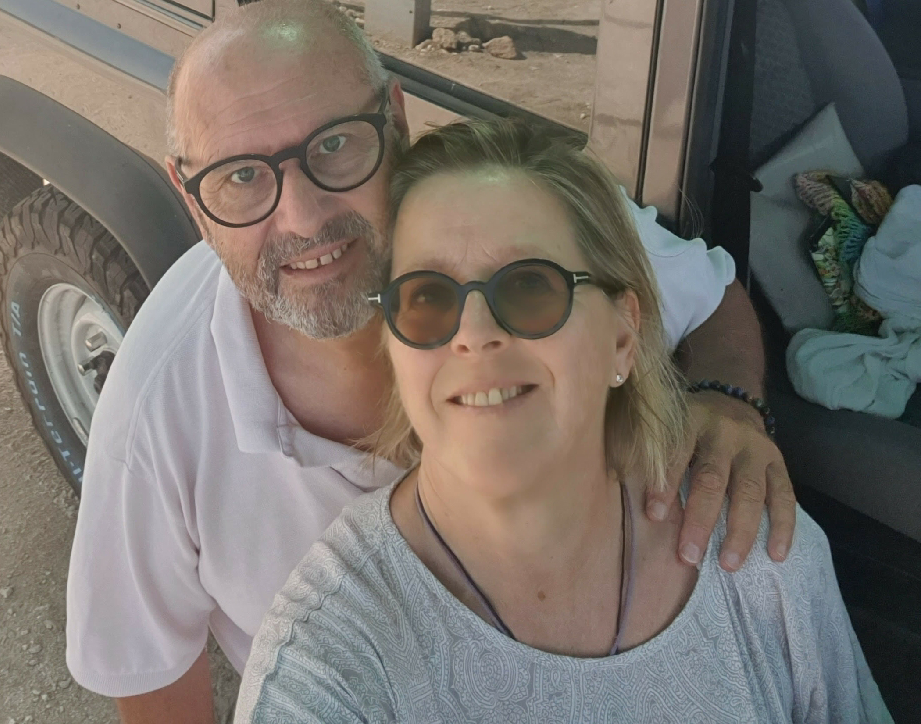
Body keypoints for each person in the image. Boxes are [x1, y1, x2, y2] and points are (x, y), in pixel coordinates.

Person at [66, 0, 795, 722]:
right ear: (190, 198)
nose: (305, 216)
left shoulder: (511, 225)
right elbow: (151, 675)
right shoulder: (155, 413)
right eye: (242, 177)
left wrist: (728, 403)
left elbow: (708, 295)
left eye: (333, 144)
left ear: (396, 118)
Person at [236, 117, 890, 724]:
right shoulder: (329, 668)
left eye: (529, 287)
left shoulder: (758, 555)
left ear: (622, 337)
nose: (474, 334)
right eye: (428, 297)